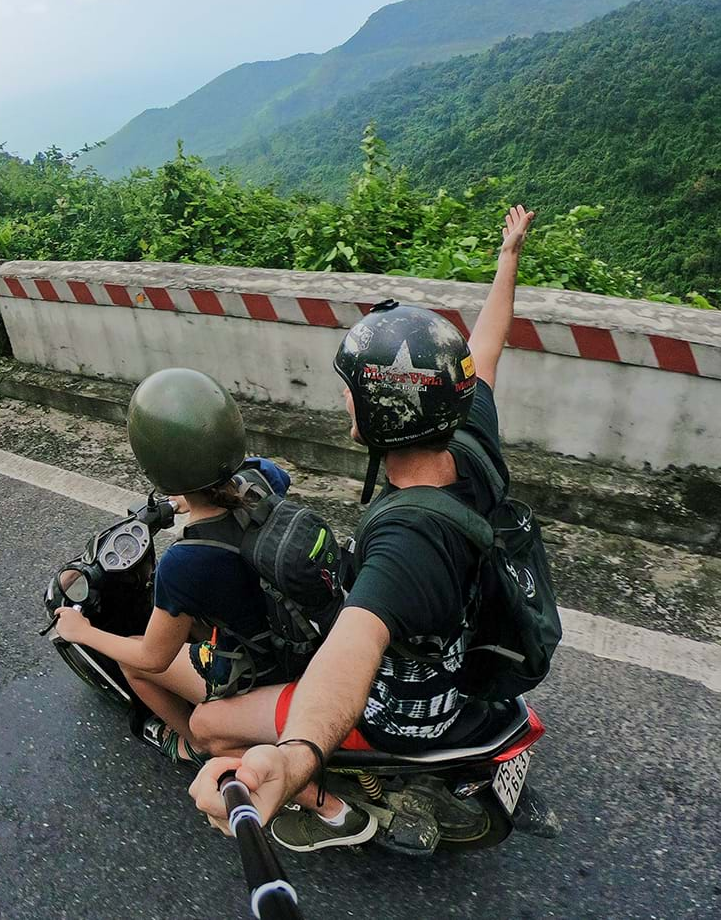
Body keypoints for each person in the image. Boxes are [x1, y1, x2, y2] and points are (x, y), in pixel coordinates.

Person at [185, 203, 536, 852]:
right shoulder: (469, 431)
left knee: (207, 723)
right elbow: (486, 342)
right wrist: (508, 256)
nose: (345, 397)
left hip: (407, 712)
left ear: (382, 411)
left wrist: (291, 760)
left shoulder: (407, 544)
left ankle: (326, 807)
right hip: (463, 652)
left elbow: (348, 657)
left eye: (353, 390)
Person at [53, 367, 295, 764]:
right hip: (289, 628)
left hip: (262, 669)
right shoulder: (263, 478)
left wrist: (82, 631)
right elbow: (260, 475)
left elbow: (153, 657)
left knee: (132, 659)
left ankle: (195, 745)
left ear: (156, 467)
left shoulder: (185, 563)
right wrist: (191, 498)